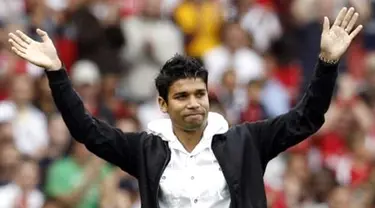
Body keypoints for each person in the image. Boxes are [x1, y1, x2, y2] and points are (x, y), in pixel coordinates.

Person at [8, 7, 363, 208]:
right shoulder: (147, 150)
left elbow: (307, 118)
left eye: (199, 94)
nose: (194, 103)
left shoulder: (246, 141)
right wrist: (56, 73)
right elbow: (87, 130)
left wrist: (327, 64)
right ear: (162, 104)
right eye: (182, 96)